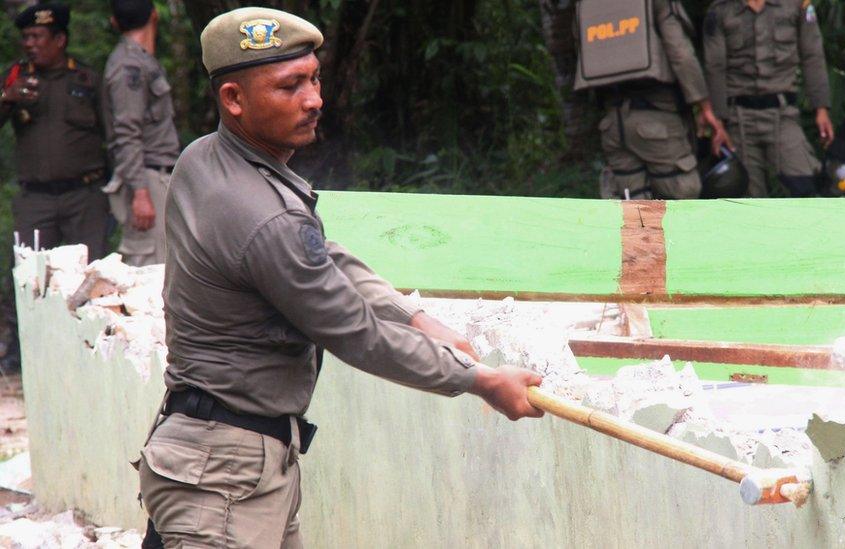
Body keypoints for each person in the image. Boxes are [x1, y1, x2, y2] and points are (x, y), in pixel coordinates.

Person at [136, 8, 543, 547]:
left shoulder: (204, 160)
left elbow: (321, 252)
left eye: (314, 78)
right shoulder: (264, 215)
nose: (314, 99)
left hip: (225, 461)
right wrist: (480, 381)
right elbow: (355, 332)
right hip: (223, 478)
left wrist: (415, 316)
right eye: (290, 86)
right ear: (233, 99)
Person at [577, 0, 730, 200]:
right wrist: (704, 106)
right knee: (681, 200)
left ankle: (643, 231)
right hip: (657, 120)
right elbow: (681, 54)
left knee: (632, 206)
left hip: (612, 123)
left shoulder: (588, 5)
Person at [0, 3, 108, 259]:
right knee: (31, 280)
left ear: (59, 39)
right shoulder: (15, 77)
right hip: (36, 200)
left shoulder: (87, 79)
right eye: (26, 37)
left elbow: (113, 133)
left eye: (37, 36)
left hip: (84, 197)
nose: (29, 44)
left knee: (91, 279)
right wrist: (7, 97)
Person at [703, 0, 835, 197]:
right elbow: (715, 66)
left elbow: (812, 55)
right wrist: (718, 122)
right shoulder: (721, 9)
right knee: (746, 195)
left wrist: (821, 108)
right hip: (739, 118)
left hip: (783, 114)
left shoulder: (798, 5)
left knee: (804, 183)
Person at [102, 0, 180, 266]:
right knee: (148, 272)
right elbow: (126, 133)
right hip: (145, 178)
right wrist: (140, 192)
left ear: (114, 22)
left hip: (159, 176)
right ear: (155, 15)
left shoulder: (142, 61)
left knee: (168, 266)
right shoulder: (128, 67)